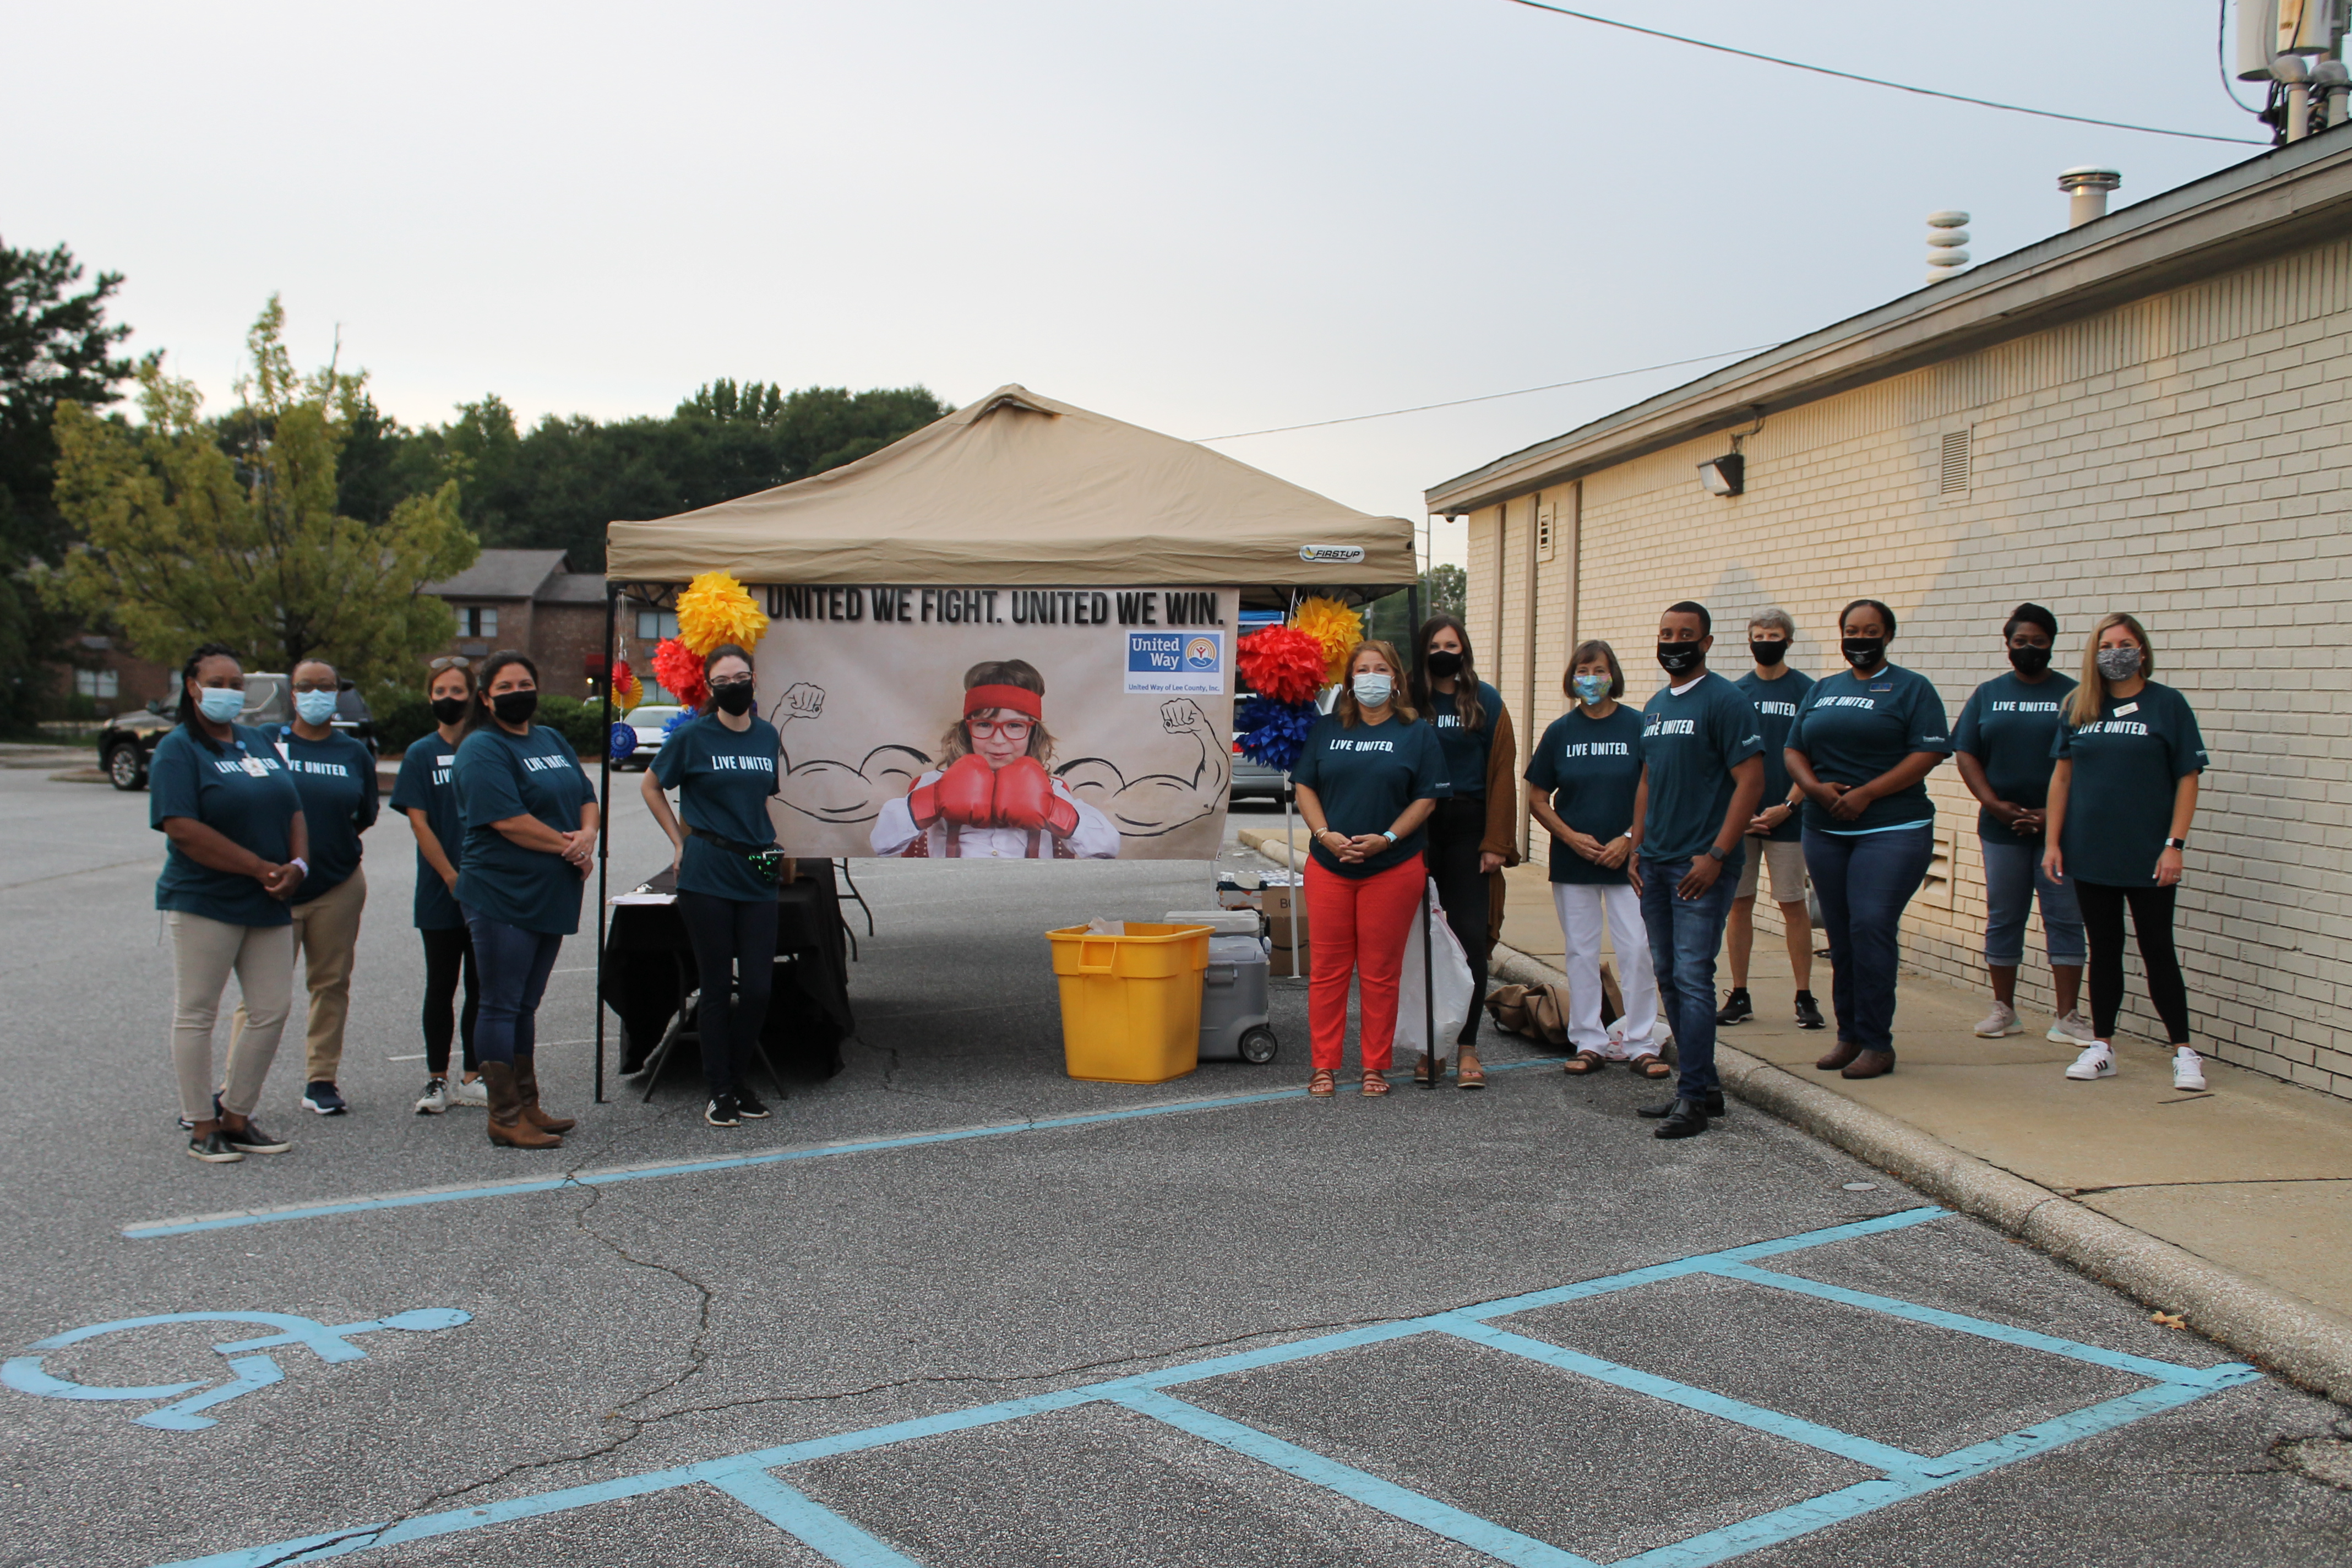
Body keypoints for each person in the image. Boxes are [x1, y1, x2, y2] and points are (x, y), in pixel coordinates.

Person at [1784, 599, 1953, 1081]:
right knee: (1840, 934)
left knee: (1872, 924)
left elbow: (1929, 752)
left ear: (1887, 636)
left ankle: (1879, 1043)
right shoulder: (1823, 689)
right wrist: (1815, 789)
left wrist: (1868, 794)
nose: (1860, 639)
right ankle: (1850, 1035)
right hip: (1826, 829)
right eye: (1852, 630)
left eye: (1871, 631)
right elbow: (1794, 748)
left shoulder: (1912, 689)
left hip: (1893, 828)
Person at [150, 643, 304, 1163]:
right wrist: (258, 867)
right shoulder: (178, 749)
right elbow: (183, 829)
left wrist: (297, 866)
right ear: (193, 687)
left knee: (271, 1009)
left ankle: (238, 1115)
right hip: (206, 899)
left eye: (237, 684)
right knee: (197, 1013)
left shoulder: (258, 739)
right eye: (217, 682)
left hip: (269, 901)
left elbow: (292, 807)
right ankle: (202, 1124)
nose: (229, 692)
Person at [2041, 613, 2209, 1090]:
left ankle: (2184, 1050)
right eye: (2107, 644)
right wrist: (2053, 842)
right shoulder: (2079, 705)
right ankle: (2103, 1046)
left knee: (2158, 948)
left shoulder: (2167, 705)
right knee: (2105, 948)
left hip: (2149, 855)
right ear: (2095, 653)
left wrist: (2174, 846)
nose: (2117, 652)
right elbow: (2062, 777)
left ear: (2142, 650)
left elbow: (2188, 778)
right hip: (2091, 851)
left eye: (2126, 643)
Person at [1290, 640, 1451, 1098]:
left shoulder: (1417, 732)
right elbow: (1305, 787)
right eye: (1362, 670)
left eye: (1381, 669)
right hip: (1330, 865)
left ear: (1396, 679)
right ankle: (1324, 1065)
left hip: (1392, 867)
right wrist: (1324, 835)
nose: (1372, 678)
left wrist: (1388, 839)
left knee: (1381, 972)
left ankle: (1374, 1067)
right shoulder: (1325, 730)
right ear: (1350, 681)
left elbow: (1427, 797)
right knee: (1328, 970)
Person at [1629, 603, 1765, 1139]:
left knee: (1692, 976)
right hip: (1656, 862)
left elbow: (1751, 781)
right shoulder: (1658, 704)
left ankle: (1693, 1098)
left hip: (1699, 865)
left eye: (1686, 634)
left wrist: (1717, 854)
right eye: (1666, 634)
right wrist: (1636, 845)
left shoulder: (1727, 701)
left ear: (1707, 642)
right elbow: (1647, 778)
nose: (1674, 642)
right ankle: (1702, 1086)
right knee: (1668, 974)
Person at [454, 650, 597, 1148]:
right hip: (501, 894)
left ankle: (529, 1104)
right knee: (500, 1002)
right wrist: (570, 846)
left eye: (525, 684)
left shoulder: (551, 739)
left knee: (526, 1005)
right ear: (486, 699)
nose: (518, 694)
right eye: (506, 687)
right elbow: (507, 820)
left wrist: (588, 836)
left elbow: (586, 795)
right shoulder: (481, 749)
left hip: (550, 893)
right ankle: (505, 1115)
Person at [641, 644, 787, 1129]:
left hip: (756, 873)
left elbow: (762, 801)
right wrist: (678, 842)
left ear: (755, 679)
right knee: (718, 985)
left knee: (761, 990)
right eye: (723, 681)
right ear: (709, 688)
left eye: (741, 677)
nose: (734, 687)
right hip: (707, 872)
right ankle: (719, 1088)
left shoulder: (767, 736)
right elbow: (651, 785)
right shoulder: (692, 738)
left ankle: (739, 1077)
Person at [225, 659, 377, 1117]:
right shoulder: (264, 742)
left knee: (330, 984)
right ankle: (235, 1089)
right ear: (292, 695)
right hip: (273, 887)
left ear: (337, 693)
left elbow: (364, 814)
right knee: (258, 997)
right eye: (306, 687)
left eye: (325, 687)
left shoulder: (354, 753)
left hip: (338, 885)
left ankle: (321, 1080)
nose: (315, 695)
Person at [1524, 639, 1665, 1079]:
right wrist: (1570, 838)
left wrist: (1629, 839)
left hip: (1630, 862)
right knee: (1581, 953)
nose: (1592, 679)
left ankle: (1641, 1041)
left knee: (1638, 950)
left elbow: (1655, 789)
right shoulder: (1561, 732)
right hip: (1575, 863)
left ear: (1614, 676)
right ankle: (1589, 1040)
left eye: (1600, 670)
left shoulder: (1639, 726)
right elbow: (1537, 797)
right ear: (1572, 677)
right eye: (1584, 670)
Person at [1952, 604, 2090, 1044]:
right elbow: (1966, 751)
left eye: (2039, 642)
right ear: (2008, 644)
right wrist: (1992, 804)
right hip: (2001, 828)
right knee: (2005, 916)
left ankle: (2067, 1017)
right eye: (2020, 642)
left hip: (2062, 830)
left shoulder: (2076, 695)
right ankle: (2004, 1010)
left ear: (2052, 643)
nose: (2029, 649)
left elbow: (2090, 760)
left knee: (2065, 917)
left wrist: (2055, 814)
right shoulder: (1988, 693)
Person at [1409, 613, 1518, 1088]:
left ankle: (1468, 1047)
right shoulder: (1408, 699)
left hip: (1470, 829)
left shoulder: (1486, 700)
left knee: (1470, 939)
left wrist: (1497, 842)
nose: (1444, 651)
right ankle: (1429, 1044)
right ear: (1422, 649)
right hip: (1418, 826)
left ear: (1464, 649)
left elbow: (1502, 771)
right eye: (1436, 644)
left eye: (1452, 644)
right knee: (1421, 943)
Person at [869, 660, 1119, 859]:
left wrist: (1053, 811)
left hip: (1032, 907)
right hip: (949, 905)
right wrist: (934, 799)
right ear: (967, 729)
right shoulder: (932, 782)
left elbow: (1107, 848)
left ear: (1032, 731)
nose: (999, 741)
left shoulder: (1051, 789)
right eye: (984, 725)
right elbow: (882, 844)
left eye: (1014, 726)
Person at [391, 657, 488, 1114]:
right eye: (441, 692)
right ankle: (436, 1079)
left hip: (487, 886)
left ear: (474, 697)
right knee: (441, 985)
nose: (449, 700)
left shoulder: (486, 747)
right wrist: (451, 877)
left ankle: (474, 1073)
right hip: (442, 889)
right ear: (430, 696)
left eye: (458, 692)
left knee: (481, 984)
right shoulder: (420, 753)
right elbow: (420, 823)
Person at [1719, 608, 1823, 1032]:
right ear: (1749, 641)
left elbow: (1816, 755)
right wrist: (1740, 815)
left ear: (1788, 640)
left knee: (1792, 905)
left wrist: (1791, 805)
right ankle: (1739, 993)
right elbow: (1725, 758)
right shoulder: (1734, 692)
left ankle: (1804, 996)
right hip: (1742, 821)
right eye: (1758, 634)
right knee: (1738, 906)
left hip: (1789, 817)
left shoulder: (1808, 690)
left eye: (1774, 634)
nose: (1766, 641)